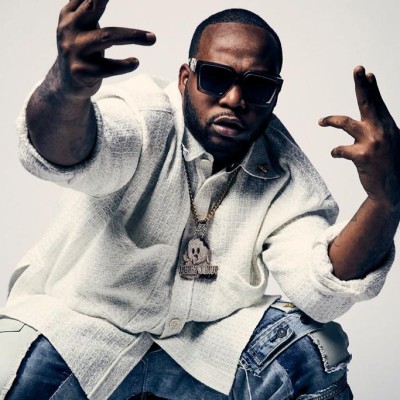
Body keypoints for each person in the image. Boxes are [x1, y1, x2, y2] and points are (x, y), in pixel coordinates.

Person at [1, 0, 399, 399]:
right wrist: (64, 90)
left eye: (257, 86)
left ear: (275, 95)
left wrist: (385, 201)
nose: (235, 99)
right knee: (7, 361)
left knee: (317, 350)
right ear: (184, 79)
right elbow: (68, 152)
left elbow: (321, 291)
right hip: (80, 334)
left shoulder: (286, 173)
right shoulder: (144, 118)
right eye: (215, 77)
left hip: (201, 350)